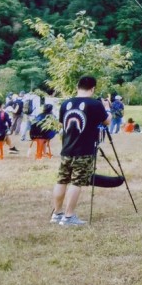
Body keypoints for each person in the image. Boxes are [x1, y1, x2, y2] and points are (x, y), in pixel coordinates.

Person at [51, 75, 110, 226]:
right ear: (93, 88)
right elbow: (106, 121)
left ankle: (57, 213)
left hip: (66, 149)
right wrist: (107, 108)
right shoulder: (95, 104)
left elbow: (61, 123)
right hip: (84, 150)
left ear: (77, 87)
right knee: (76, 183)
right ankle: (69, 217)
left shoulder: (66, 104)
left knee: (61, 180)